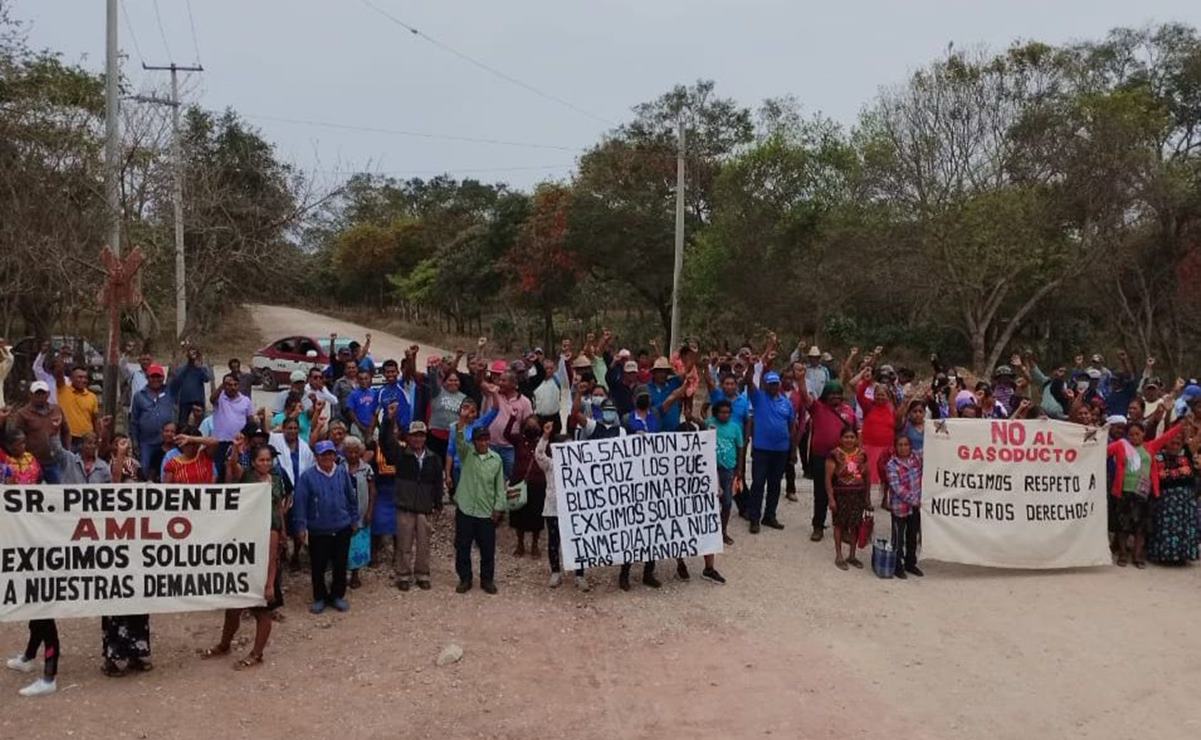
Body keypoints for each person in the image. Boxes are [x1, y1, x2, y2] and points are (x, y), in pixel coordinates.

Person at [201, 444, 285, 669]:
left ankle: (257, 653)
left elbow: (278, 509)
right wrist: (236, 450)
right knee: (233, 606)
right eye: (261, 460)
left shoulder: (276, 481)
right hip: (246, 538)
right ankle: (224, 644)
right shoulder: (247, 476)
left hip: (267, 536)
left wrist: (269, 583)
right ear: (254, 461)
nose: (265, 464)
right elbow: (232, 465)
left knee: (262, 609)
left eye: (269, 460)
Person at [3, 441, 57, 697]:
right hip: (22, 553)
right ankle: (28, 657)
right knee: (35, 611)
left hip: (39, 555)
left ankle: (49, 676)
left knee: (44, 613)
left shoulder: (38, 499)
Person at [293, 440, 359, 613]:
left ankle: (337, 595)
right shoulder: (307, 477)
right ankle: (320, 597)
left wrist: (354, 519)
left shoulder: (342, 473)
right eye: (323, 454)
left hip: (342, 527)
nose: (327, 457)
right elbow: (300, 503)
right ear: (316, 457)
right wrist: (301, 527)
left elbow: (351, 497)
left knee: (340, 564)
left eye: (330, 453)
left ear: (335, 455)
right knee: (318, 565)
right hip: (318, 530)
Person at [1107, 420, 1184, 567]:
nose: (1134, 437)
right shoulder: (1120, 445)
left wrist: (1182, 424)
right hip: (1124, 492)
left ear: (1143, 434)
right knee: (1123, 527)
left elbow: (1167, 437)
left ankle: (1137, 556)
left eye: (1137, 434)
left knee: (1141, 528)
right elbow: (1102, 452)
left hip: (1143, 494)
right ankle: (1123, 554)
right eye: (1131, 434)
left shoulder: (1150, 446)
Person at [383, 419, 443, 590]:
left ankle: (422, 574)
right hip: (405, 505)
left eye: (421, 435)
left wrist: (438, 503)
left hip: (425, 506)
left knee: (424, 544)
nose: (417, 439)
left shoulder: (434, 458)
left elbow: (438, 483)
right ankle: (403, 575)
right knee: (404, 543)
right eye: (414, 435)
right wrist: (388, 421)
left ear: (425, 437)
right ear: (408, 437)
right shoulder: (400, 454)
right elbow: (386, 443)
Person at [452, 424, 507, 594]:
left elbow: (499, 486)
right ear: (474, 441)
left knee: (487, 548)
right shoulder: (467, 454)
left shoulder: (496, 459)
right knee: (463, 546)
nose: (483, 443)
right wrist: (461, 421)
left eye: (485, 439)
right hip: (466, 508)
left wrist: (498, 507)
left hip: (485, 511)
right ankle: (465, 578)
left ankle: (487, 580)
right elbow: (459, 440)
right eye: (479, 440)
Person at [535, 422, 589, 590]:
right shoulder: (550, 464)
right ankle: (555, 572)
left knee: (578, 541)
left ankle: (579, 575)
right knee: (553, 541)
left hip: (574, 510)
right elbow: (538, 453)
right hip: (553, 510)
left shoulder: (580, 466)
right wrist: (545, 436)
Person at [743, 363, 795, 534]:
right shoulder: (758, 397)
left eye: (775, 383)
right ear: (765, 384)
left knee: (775, 484)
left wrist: (792, 449)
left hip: (781, 450)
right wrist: (751, 366)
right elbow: (748, 381)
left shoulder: (786, 403)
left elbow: (791, 426)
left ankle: (769, 516)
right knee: (758, 483)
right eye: (770, 383)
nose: (773, 386)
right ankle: (754, 517)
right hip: (762, 449)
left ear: (779, 384)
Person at [1147, 428, 1200, 564]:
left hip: (1185, 500)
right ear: (1166, 443)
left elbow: (1198, 439)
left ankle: (1182, 556)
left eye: (1178, 443)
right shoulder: (1157, 456)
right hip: (1166, 499)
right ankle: (1165, 556)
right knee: (1166, 527)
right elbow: (1158, 476)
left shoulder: (1186, 454)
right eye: (1172, 442)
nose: (1175, 445)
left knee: (1183, 527)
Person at [826, 426, 870, 571]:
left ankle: (852, 555)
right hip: (841, 494)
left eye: (852, 437)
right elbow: (828, 479)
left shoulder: (862, 455)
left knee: (855, 525)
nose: (849, 440)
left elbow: (867, 476)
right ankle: (839, 555)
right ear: (840, 439)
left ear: (856, 439)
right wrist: (831, 499)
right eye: (846, 437)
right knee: (839, 524)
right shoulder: (834, 455)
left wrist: (867, 497)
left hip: (857, 494)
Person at [506, 414, 547, 558]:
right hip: (519, 482)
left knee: (537, 516)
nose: (532, 428)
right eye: (529, 426)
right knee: (519, 515)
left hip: (538, 484)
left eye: (535, 426)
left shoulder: (543, 442)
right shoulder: (519, 440)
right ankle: (520, 544)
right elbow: (506, 434)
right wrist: (512, 419)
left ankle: (535, 545)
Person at [884, 433, 924, 578]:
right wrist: (915, 500)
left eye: (906, 445)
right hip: (899, 508)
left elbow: (933, 449)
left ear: (910, 446)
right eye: (900, 445)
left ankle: (910, 563)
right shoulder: (891, 465)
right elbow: (896, 487)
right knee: (898, 538)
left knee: (912, 536)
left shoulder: (917, 459)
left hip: (915, 508)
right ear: (895, 447)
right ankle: (897, 565)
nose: (903, 448)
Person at [708, 399, 744, 547]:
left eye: (728, 412)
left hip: (728, 469)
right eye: (722, 412)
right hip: (711, 469)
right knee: (711, 502)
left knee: (727, 502)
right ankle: (710, 532)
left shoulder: (735, 427)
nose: (725, 415)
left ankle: (723, 531)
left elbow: (740, 447)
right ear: (716, 412)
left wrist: (739, 469)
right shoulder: (709, 423)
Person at [485, 370, 533, 479]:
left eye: (503, 380)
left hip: (510, 448)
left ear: (513, 384)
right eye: (499, 380)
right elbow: (479, 382)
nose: (500, 383)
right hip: (490, 444)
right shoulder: (493, 394)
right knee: (490, 476)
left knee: (510, 477)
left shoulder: (525, 402)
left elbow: (527, 424)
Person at [343, 436, 376, 589]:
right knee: (343, 543)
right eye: (350, 452)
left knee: (358, 544)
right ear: (345, 452)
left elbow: (372, 491)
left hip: (361, 511)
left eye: (356, 452)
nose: (353, 455)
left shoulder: (366, 468)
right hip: (343, 514)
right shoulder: (339, 467)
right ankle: (341, 574)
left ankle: (355, 574)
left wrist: (370, 511)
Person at [130, 364, 175, 468]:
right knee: (145, 469)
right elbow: (134, 421)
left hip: (167, 442)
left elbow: (178, 378)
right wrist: (135, 442)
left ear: (163, 378)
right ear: (147, 377)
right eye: (152, 376)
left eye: (158, 376)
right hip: (146, 442)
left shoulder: (170, 392)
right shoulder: (139, 396)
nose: (155, 379)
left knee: (169, 469)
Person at [169, 345, 213, 425]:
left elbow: (207, 379)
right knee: (183, 425)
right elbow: (177, 379)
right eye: (191, 353)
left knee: (199, 425)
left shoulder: (202, 368)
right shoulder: (182, 368)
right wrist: (189, 364)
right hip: (184, 402)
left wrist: (199, 367)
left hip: (198, 401)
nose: (193, 355)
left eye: (195, 353)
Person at [58, 365, 100, 448]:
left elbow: (95, 420)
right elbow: (58, 372)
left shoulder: (92, 397)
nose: (83, 380)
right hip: (68, 437)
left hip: (87, 439)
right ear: (71, 378)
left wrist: (98, 438)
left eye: (85, 378)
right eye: (79, 377)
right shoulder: (63, 390)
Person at [345, 368, 379, 440]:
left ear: (370, 379)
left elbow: (375, 412)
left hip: (372, 426)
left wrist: (370, 428)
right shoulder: (353, 394)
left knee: (377, 441)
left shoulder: (374, 393)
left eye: (366, 378)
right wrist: (361, 427)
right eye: (361, 379)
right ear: (357, 380)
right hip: (357, 426)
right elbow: (351, 412)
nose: (364, 381)